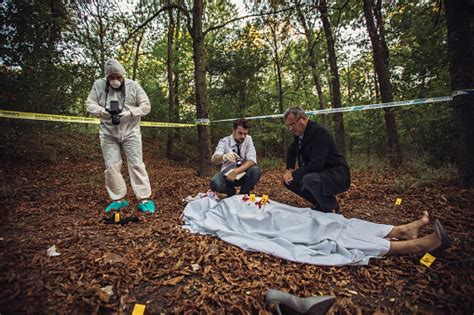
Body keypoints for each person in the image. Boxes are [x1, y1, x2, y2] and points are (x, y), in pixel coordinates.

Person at [86, 59, 155, 213]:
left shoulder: (133, 86)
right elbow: (90, 104)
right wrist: (102, 112)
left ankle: (144, 199)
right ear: (106, 76)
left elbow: (146, 106)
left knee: (136, 163)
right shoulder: (98, 85)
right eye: (111, 77)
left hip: (131, 131)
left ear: (123, 75)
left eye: (118, 77)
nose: (115, 80)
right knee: (111, 166)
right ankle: (118, 199)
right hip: (108, 132)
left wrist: (130, 112)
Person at [282, 107, 350, 213]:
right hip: (320, 173)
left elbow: (317, 164)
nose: (291, 128)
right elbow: (291, 151)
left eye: (293, 124)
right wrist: (289, 170)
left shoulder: (319, 132)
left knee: (308, 179)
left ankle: (329, 205)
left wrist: (295, 173)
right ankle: (323, 203)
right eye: (288, 126)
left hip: (337, 174)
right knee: (289, 181)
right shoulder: (299, 133)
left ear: (303, 118)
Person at [210, 118, 261, 197]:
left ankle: (243, 193)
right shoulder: (224, 141)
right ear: (233, 130)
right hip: (227, 175)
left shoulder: (248, 139)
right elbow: (214, 159)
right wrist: (224, 156)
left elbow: (252, 160)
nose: (243, 136)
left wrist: (236, 171)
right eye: (240, 133)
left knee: (256, 170)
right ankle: (231, 192)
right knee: (214, 183)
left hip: (243, 173)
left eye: (245, 133)